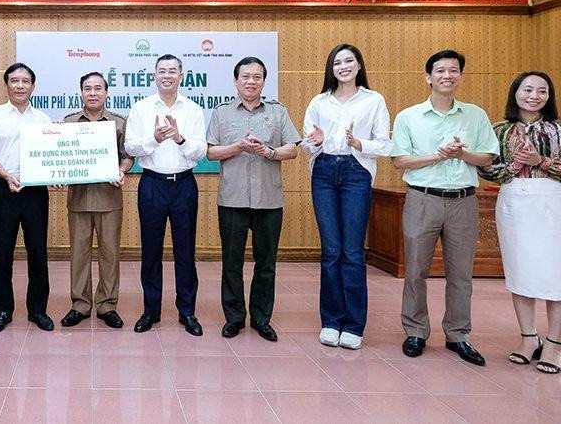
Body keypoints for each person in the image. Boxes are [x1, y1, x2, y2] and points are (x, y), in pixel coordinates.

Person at [479, 71, 561, 374]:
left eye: (542, 91)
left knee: (558, 273)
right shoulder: (500, 129)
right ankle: (529, 337)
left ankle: (555, 342)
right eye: (527, 89)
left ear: (549, 96)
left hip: (551, 202)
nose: (534, 96)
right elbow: (486, 169)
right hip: (513, 202)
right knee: (520, 271)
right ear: (515, 93)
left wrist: (541, 162)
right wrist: (514, 166)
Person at [390, 49, 498, 366]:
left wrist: (462, 154)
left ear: (460, 76)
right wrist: (439, 156)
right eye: (440, 70)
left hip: (463, 200)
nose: (447, 75)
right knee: (415, 271)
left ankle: (458, 334)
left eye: (453, 70)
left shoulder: (475, 115)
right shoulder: (409, 117)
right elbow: (399, 160)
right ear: (428, 77)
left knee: (461, 274)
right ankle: (415, 331)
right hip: (422, 199)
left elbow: (488, 156)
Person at [301, 44, 392, 350]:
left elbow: (385, 144)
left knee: (352, 251)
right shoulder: (319, 102)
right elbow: (307, 144)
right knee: (331, 251)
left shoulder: (373, 100)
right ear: (331, 68)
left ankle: (353, 325)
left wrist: (357, 143)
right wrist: (316, 142)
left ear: (358, 65)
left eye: (349, 61)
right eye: (337, 62)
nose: (343, 66)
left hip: (356, 172)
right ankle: (331, 321)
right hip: (324, 173)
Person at [207, 57, 300, 342]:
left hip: (269, 201)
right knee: (231, 262)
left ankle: (261, 318)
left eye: (256, 77)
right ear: (236, 81)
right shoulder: (221, 113)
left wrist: (268, 152)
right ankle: (234, 318)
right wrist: (238, 146)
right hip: (232, 200)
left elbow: (292, 149)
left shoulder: (278, 111)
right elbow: (211, 152)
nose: (251, 81)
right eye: (245, 76)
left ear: (263, 81)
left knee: (266, 263)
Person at [125, 54, 207, 336]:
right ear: (154, 76)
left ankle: (187, 312)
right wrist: (155, 138)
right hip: (152, 184)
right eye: (162, 71)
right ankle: (151, 311)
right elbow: (131, 147)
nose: (167, 76)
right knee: (151, 251)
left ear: (181, 76)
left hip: (184, 185)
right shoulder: (141, 108)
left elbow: (200, 151)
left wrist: (179, 138)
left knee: (186, 251)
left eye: (173, 71)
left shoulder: (193, 110)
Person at [0, 63, 55, 334]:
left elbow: (53, 155)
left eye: (25, 81)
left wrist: (57, 172)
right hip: (4, 189)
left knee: (38, 252)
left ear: (33, 86)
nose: (20, 86)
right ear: (6, 84)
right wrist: (6, 175)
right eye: (14, 81)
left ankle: (38, 310)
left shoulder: (43, 119)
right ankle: (3, 311)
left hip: (35, 191)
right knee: (3, 252)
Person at [59, 72, 134, 329]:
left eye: (97, 88)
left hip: (109, 199)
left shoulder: (119, 123)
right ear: (81, 92)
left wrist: (122, 170)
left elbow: (128, 156)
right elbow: (60, 156)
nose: (92, 93)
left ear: (106, 92)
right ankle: (80, 305)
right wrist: (57, 173)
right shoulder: (69, 123)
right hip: (78, 200)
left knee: (109, 254)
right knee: (78, 254)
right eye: (87, 88)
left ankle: (107, 305)